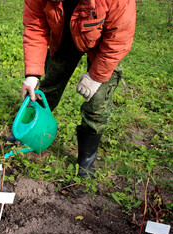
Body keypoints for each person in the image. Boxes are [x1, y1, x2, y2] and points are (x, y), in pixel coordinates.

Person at [21, 0, 136, 177]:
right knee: (48, 88)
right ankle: (30, 133)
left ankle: (86, 160)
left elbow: (119, 38)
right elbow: (35, 27)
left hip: (103, 45)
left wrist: (96, 77)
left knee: (97, 101)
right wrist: (32, 74)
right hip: (64, 37)